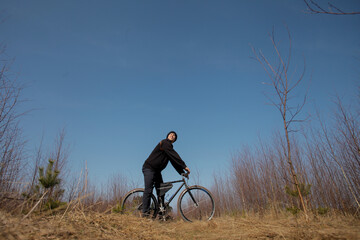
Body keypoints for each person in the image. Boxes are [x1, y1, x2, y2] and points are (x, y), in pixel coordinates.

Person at [142, 131, 190, 218]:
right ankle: (145, 214)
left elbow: (174, 162)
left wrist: (182, 172)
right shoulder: (164, 143)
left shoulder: (169, 150)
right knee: (148, 190)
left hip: (157, 171)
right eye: (171, 134)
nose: (173, 135)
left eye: (174, 135)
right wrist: (184, 165)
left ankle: (161, 214)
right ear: (167, 136)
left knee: (161, 192)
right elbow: (175, 155)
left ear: (175, 140)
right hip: (149, 168)